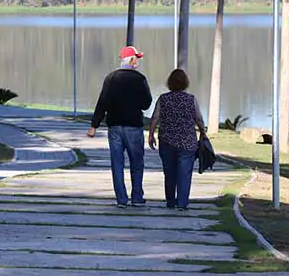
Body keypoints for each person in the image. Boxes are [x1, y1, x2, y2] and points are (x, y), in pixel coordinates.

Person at [87, 46, 153, 209]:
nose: (137, 61)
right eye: (136, 58)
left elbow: (102, 102)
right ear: (131, 60)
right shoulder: (140, 79)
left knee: (117, 163)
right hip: (133, 127)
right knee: (136, 162)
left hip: (114, 127)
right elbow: (147, 103)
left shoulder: (111, 78)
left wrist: (94, 125)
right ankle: (137, 197)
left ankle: (121, 199)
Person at [148, 69, 207, 211]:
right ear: (185, 83)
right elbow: (198, 118)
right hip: (187, 142)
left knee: (169, 173)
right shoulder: (191, 99)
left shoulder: (163, 99)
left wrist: (151, 134)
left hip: (167, 141)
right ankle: (182, 203)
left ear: (170, 83)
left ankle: (170, 201)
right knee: (185, 173)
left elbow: (155, 117)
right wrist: (203, 132)